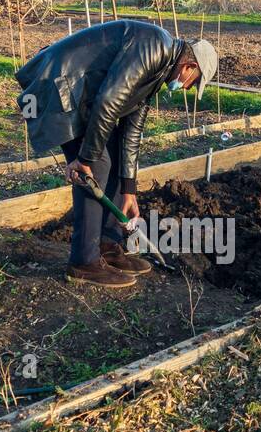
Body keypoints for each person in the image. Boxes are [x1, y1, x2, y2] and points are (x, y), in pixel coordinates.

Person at [15, 19, 217, 288]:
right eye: (194, 82)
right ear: (189, 67)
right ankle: (83, 262)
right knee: (96, 167)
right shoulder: (154, 47)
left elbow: (132, 133)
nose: (189, 88)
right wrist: (84, 160)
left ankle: (109, 246)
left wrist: (129, 190)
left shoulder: (159, 71)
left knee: (108, 161)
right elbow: (108, 101)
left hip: (83, 97)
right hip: (58, 85)